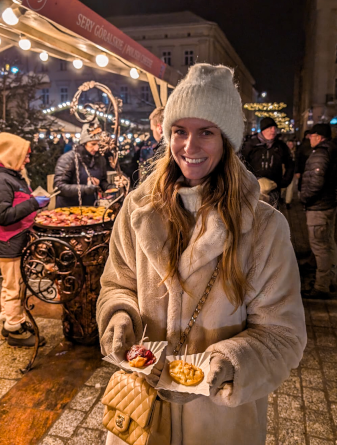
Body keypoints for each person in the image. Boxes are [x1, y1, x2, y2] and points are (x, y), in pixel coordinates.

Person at [97, 64, 306, 445]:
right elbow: (117, 283)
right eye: (180, 131)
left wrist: (232, 362)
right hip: (141, 412)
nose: (189, 147)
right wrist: (118, 315)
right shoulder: (137, 209)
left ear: (227, 140)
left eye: (205, 133)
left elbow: (284, 334)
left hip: (219, 423)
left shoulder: (263, 228)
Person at [0, 133, 48, 347]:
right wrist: (33, 204)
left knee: (11, 284)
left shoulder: (9, 174)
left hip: (12, 241)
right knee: (14, 287)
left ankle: (9, 319)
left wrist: (33, 202)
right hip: (7, 243)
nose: (28, 160)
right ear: (11, 154)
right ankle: (15, 328)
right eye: (25, 156)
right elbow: (2, 215)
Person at [300, 123, 337, 300]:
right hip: (329, 204)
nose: (309, 138)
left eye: (311, 135)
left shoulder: (320, 154)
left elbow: (316, 182)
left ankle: (321, 286)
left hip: (319, 206)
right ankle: (329, 280)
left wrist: (304, 197)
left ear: (319, 136)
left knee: (320, 248)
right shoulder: (332, 152)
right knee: (329, 244)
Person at [54, 120, 111, 207]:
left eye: (99, 144)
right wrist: (85, 189)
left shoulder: (100, 159)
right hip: (68, 210)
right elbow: (59, 187)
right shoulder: (69, 159)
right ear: (84, 143)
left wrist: (108, 187)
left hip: (91, 208)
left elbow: (102, 180)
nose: (96, 148)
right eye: (93, 144)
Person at [241, 117, 294, 208]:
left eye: (274, 128)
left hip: (274, 190)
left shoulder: (280, 146)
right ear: (263, 130)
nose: (273, 131)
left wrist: (284, 182)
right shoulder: (251, 144)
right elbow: (241, 163)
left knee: (272, 217)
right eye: (270, 128)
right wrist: (248, 181)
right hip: (254, 189)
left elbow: (290, 165)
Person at [282, 138, 296, 209]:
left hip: (292, 172)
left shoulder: (295, 152)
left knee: (290, 187)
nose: (290, 145)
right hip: (284, 172)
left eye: (291, 144)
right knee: (283, 187)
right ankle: (280, 198)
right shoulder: (283, 152)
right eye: (289, 144)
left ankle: (288, 202)